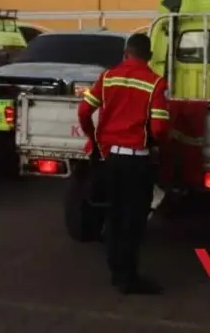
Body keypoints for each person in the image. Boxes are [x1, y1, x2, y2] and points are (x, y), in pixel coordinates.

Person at [77, 32, 171, 295]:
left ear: (125, 53)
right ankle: (128, 278)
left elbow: (84, 111)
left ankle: (116, 271)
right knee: (133, 220)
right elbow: (161, 127)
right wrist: (156, 142)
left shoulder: (107, 78)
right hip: (136, 162)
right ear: (149, 56)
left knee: (115, 215)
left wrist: (94, 139)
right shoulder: (155, 83)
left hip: (110, 159)